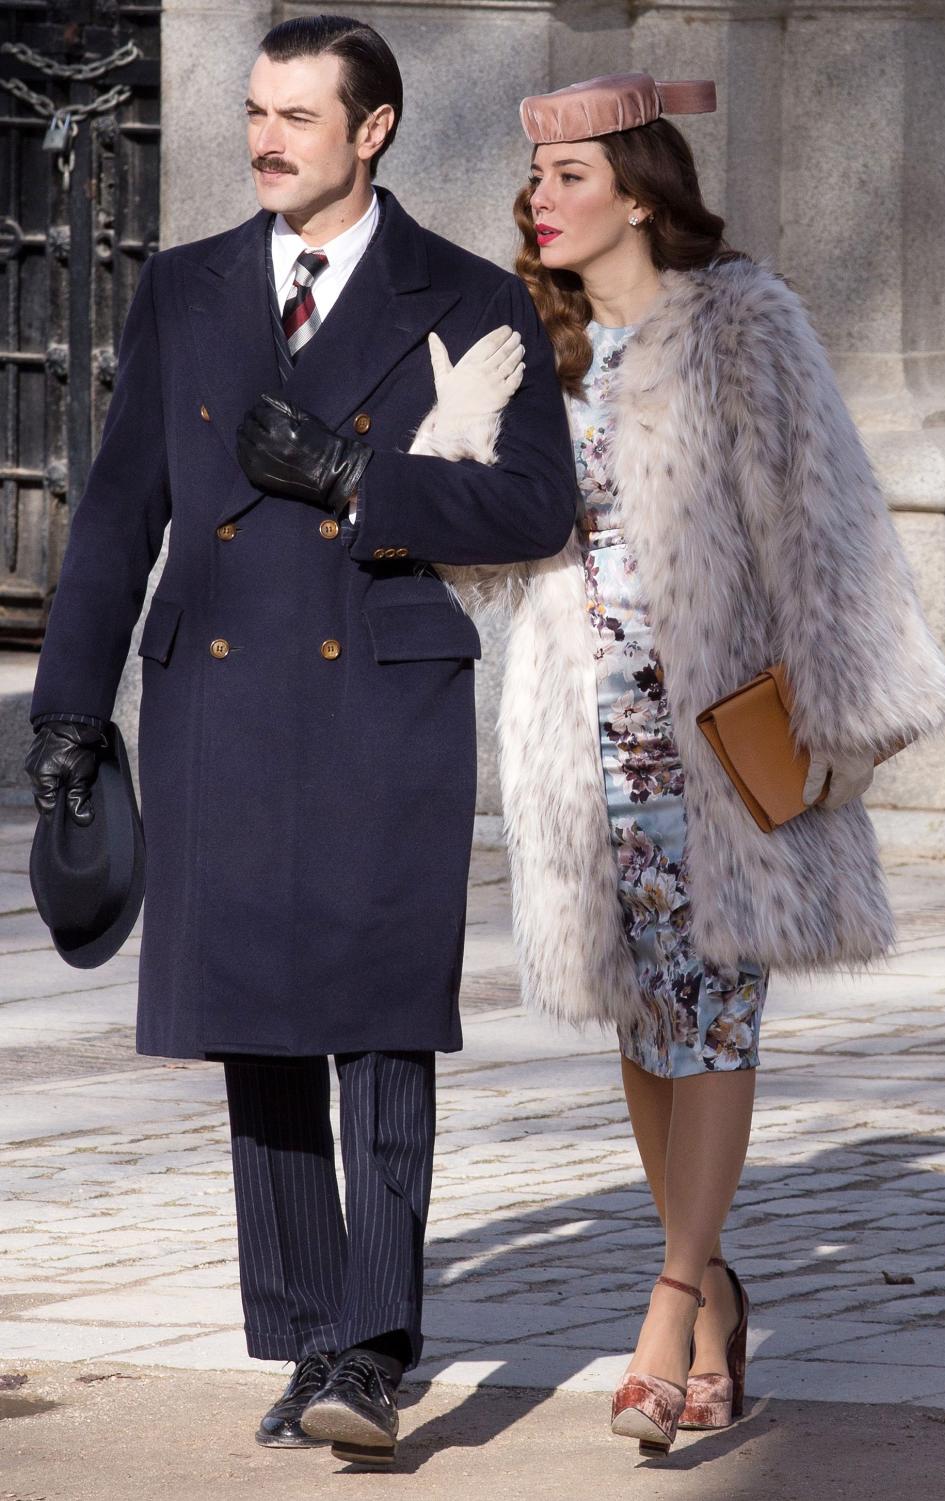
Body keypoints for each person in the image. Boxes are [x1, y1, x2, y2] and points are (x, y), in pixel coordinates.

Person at [23, 15, 576, 1471]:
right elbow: (119, 507)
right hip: (217, 691)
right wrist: (70, 707)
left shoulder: (465, 297)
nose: (264, 138)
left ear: (374, 129)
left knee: (384, 1020)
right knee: (255, 1021)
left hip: (383, 700)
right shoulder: (190, 287)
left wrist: (354, 475)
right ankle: (311, 1333)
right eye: (254, 111)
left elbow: (535, 508)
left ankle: (373, 1342)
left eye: (296, 117)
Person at [423, 71, 945, 1456]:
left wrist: (850, 717)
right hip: (583, 744)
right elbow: (475, 555)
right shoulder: (534, 345)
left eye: (569, 179)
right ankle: (718, 1290)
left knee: (714, 1014)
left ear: (642, 192)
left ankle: (668, 1300)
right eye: (534, 184)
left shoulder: (744, 327)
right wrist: (455, 424)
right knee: (645, 1026)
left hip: (723, 742)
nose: (541, 205)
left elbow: (832, 519)